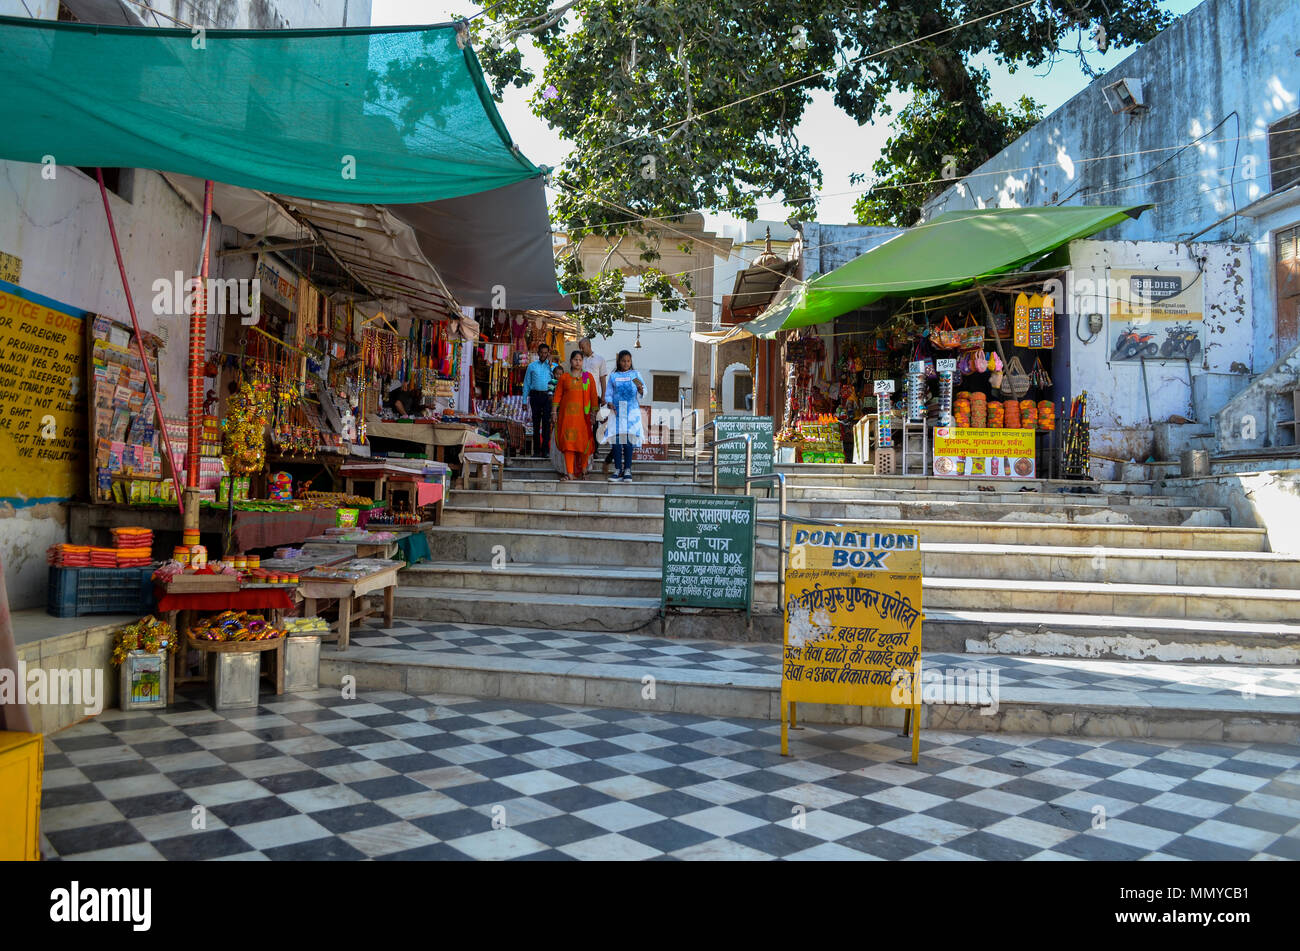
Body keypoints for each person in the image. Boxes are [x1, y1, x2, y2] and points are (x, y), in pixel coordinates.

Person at [552, 350, 597, 480]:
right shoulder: (564, 377)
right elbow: (557, 396)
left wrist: (593, 414)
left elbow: (594, 397)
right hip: (567, 418)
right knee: (568, 444)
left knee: (583, 444)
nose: (578, 362)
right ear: (571, 361)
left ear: (583, 362)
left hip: (583, 418)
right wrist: (554, 412)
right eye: (575, 359)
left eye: (580, 360)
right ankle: (569, 473)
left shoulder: (587, 377)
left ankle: (584, 471)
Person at [605, 349, 645, 482]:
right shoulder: (613, 376)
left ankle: (627, 470)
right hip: (616, 411)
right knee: (617, 441)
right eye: (623, 361)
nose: (626, 363)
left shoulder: (635, 375)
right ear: (619, 362)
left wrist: (641, 390)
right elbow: (608, 393)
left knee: (628, 441)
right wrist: (609, 403)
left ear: (631, 361)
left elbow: (644, 391)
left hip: (631, 411)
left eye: (628, 361)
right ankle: (617, 469)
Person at [523, 343, 557, 456]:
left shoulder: (553, 366)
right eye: (541, 352)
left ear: (548, 354)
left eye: (545, 353)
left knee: (547, 424)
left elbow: (557, 379)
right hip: (535, 396)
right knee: (536, 424)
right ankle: (536, 451)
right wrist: (524, 401)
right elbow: (527, 384)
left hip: (548, 397)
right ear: (538, 353)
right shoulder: (531, 366)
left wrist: (551, 364)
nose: (543, 355)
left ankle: (546, 451)